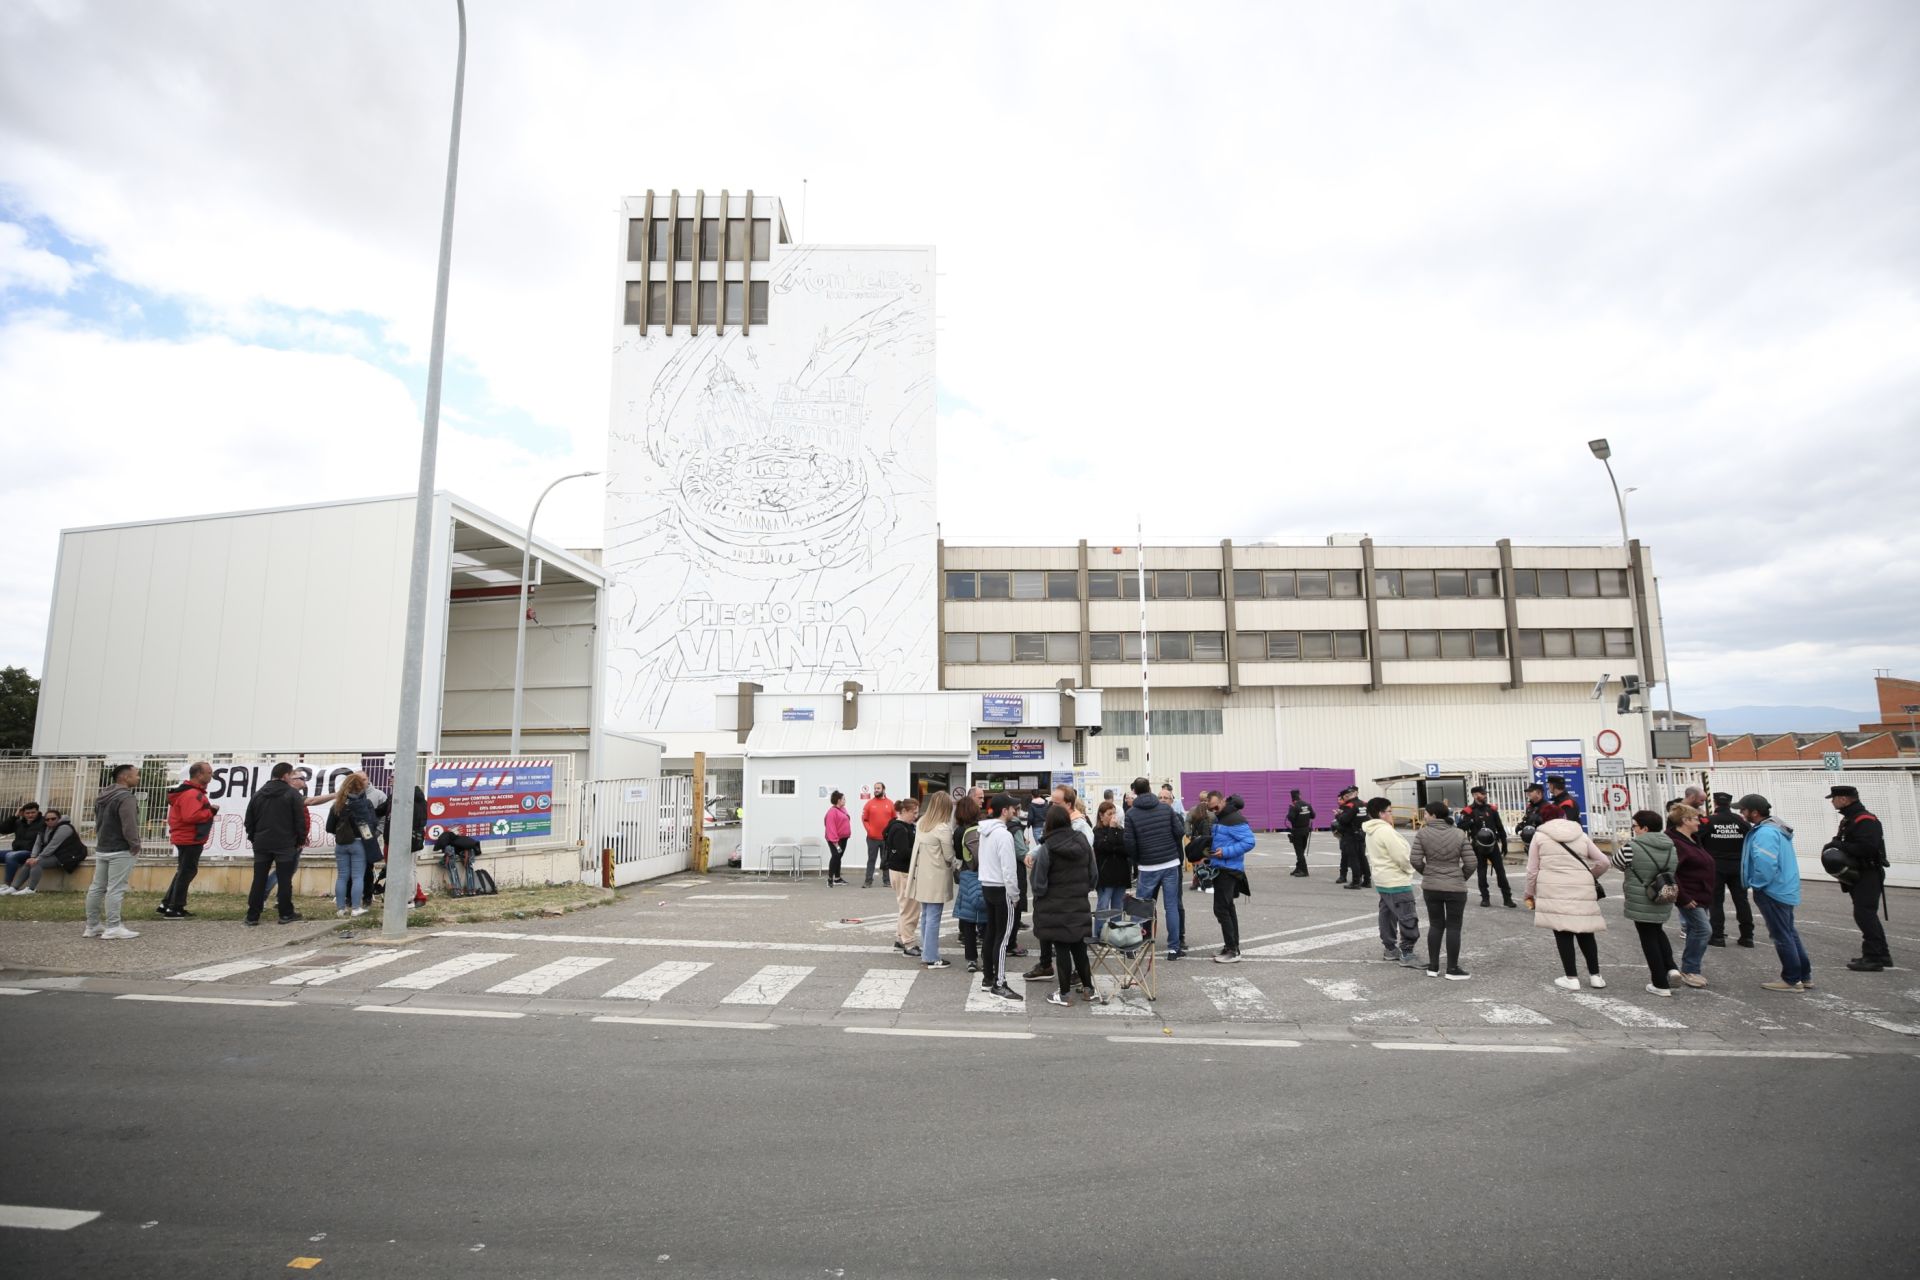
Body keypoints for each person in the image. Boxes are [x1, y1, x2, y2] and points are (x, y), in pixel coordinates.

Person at [1525, 803, 1610, 990]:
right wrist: (1590, 875)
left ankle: (1571, 977)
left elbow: (1532, 870)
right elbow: (1603, 862)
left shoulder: (1539, 836)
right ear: (1564, 816)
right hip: (1581, 886)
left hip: (1553, 889)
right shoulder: (1580, 834)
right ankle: (1596, 976)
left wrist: (1529, 892)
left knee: (1562, 931)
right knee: (1586, 930)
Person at [1738, 793, 1810, 992]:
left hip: (1773, 890)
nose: (1741, 813)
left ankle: (1791, 979)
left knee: (1781, 935)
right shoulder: (1777, 830)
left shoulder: (1765, 833)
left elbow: (1765, 862)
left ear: (1754, 812)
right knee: (1789, 932)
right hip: (1784, 888)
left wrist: (1757, 884)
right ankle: (1804, 975)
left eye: (1743, 809)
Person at [1032, 804, 1095, 1006]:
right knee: (1079, 947)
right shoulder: (1083, 841)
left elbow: (1038, 883)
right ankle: (1088, 989)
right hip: (1079, 903)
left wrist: (1043, 896)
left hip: (1055, 906)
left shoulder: (1047, 847)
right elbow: (1094, 876)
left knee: (1061, 949)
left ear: (1049, 823)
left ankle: (1065, 994)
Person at [1826, 785, 1891, 973]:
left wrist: (1838, 845)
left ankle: (1873, 958)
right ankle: (1882, 954)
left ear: (1844, 799)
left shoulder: (1865, 820)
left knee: (1864, 914)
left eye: (1834, 798)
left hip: (1868, 873)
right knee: (1866, 913)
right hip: (1859, 873)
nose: (1832, 802)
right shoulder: (1851, 819)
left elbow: (1867, 848)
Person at [1615, 809, 1680, 997]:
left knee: (1648, 938)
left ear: (1644, 827)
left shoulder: (1632, 847)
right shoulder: (1671, 846)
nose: (1633, 829)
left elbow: (1617, 863)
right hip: (1664, 894)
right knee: (1658, 931)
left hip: (1641, 897)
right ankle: (1671, 968)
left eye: (1634, 826)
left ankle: (1659, 983)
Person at [1122, 775, 1187, 959]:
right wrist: (1170, 848)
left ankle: (1134, 945)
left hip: (1148, 865)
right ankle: (1174, 949)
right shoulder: (1166, 810)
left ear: (1134, 791)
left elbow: (1129, 843)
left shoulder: (1132, 814)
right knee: (1171, 906)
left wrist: (1139, 859)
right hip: (1170, 863)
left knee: (1141, 906)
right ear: (1150, 788)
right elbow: (1179, 832)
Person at [1410, 802, 1472, 979]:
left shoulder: (1423, 833)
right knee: (1454, 927)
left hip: (1432, 886)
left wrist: (1428, 873)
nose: (1426, 817)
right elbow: (1471, 862)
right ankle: (1452, 969)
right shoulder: (1459, 834)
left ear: (1434, 815)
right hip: (1456, 887)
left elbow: (1415, 860)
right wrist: (1460, 877)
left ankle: (1433, 967)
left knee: (1436, 925)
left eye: (1427, 814)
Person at [243, 762, 308, 926]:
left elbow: (249, 820)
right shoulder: (292, 795)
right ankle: (285, 914)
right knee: (285, 879)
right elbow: (299, 821)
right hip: (285, 844)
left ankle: (252, 915)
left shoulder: (258, 794)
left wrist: (254, 837)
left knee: (259, 879)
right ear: (285, 775)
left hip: (261, 843)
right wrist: (300, 840)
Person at [86, 764, 143, 940]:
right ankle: (113, 927)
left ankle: (92, 925)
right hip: (120, 849)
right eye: (136, 775)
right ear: (125, 777)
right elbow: (129, 824)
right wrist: (135, 844)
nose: (138, 778)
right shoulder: (126, 797)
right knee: (116, 888)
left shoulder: (103, 796)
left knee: (97, 887)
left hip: (103, 847)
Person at [906, 790, 960, 970]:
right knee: (934, 917)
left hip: (922, 876)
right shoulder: (942, 827)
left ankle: (927, 953)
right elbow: (949, 855)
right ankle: (931, 957)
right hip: (936, 877)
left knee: (927, 916)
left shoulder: (922, 823)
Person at [158, 762, 219, 919]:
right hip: (190, 837)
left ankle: (167, 903)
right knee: (187, 872)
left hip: (187, 836)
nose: (211, 775)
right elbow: (190, 816)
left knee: (183, 871)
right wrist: (210, 811)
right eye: (209, 773)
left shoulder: (190, 792)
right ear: (199, 774)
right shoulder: (192, 794)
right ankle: (175, 907)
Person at [976, 794, 1022, 1000]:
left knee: (991, 933)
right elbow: (1009, 868)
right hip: (1002, 888)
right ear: (1004, 811)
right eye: (1013, 809)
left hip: (987, 885)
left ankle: (988, 977)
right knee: (1002, 938)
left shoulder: (985, 831)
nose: (1015, 812)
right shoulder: (1004, 835)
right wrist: (1015, 894)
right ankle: (1000, 982)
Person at [1363, 798, 1418, 966]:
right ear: (1381, 813)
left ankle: (1390, 949)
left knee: (1387, 914)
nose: (1391, 814)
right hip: (1396, 880)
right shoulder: (1385, 831)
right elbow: (1400, 856)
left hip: (1382, 879)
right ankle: (1407, 953)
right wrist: (1409, 869)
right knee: (1407, 915)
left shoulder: (1371, 830)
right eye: (1389, 811)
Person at [1667, 802, 1715, 988]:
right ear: (1685, 820)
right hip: (1690, 896)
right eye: (1695, 819)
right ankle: (1689, 970)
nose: (1699, 822)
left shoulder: (1693, 839)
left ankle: (1690, 968)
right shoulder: (1677, 843)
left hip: (1700, 894)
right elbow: (1673, 872)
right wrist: (1683, 897)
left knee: (1697, 930)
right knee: (1703, 929)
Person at [1701, 791, 1755, 948]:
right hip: (1738, 866)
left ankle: (1717, 936)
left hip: (1715, 866)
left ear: (1715, 803)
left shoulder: (1707, 820)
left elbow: (1698, 839)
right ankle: (1747, 937)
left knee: (1716, 902)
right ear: (1729, 804)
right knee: (1742, 901)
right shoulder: (1740, 821)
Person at [1207, 794, 1255, 963]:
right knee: (1227, 908)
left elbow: (1249, 842)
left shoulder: (1235, 819)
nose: (1213, 810)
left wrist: (1225, 852)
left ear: (1222, 801)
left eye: (1215, 807)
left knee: (1222, 909)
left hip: (1229, 869)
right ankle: (1231, 946)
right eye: (1210, 808)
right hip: (1222, 867)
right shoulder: (1222, 817)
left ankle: (1233, 950)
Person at [1460, 786, 1515, 909]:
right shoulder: (1468, 811)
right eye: (1482, 793)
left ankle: (1507, 898)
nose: (1485, 795)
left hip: (1493, 845)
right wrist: (1470, 822)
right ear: (1474, 795)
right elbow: (1460, 827)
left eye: (1485, 793)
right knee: (1482, 872)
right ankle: (1485, 898)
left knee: (1501, 872)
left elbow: (1499, 826)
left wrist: (1504, 843)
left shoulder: (1491, 809)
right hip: (1478, 846)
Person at [4, 808, 77, 895]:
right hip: (54, 855)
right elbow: (37, 844)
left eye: (53, 819)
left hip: (67, 856)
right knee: (29, 862)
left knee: (37, 863)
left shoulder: (64, 828)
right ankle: (13, 887)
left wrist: (38, 858)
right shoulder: (44, 828)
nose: (50, 821)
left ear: (59, 818)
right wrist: (33, 857)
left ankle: (31, 889)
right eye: (47, 819)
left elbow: (52, 846)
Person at [951, 795, 987, 973]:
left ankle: (971, 959)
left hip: (967, 874)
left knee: (968, 918)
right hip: (987, 874)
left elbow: (958, 855)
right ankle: (988, 957)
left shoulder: (959, 832)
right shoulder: (984, 827)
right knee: (987, 918)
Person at [884, 796, 922, 956]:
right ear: (904, 811)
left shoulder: (895, 826)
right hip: (904, 872)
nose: (916, 816)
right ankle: (909, 943)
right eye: (914, 812)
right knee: (910, 909)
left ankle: (900, 939)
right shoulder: (901, 829)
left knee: (904, 907)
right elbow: (904, 852)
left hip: (896, 871)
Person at [1092, 799, 1131, 939]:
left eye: (1114, 813)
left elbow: (1126, 849)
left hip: (1120, 874)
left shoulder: (1121, 830)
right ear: (1101, 816)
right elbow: (1105, 847)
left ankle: (1115, 936)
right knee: (1103, 906)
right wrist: (1112, 831)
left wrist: (1115, 844)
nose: (1113, 817)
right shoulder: (1097, 831)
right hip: (1105, 875)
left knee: (1117, 908)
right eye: (1109, 814)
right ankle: (1099, 935)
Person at [1, 801, 47, 891]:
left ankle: (7, 885)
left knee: (11, 856)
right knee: (10, 855)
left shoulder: (43, 822)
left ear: (38, 812)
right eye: (27, 813)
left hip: (31, 853)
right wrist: (15, 816)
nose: (30, 815)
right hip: (16, 851)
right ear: (23, 813)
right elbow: (3, 830)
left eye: (33, 812)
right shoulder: (19, 822)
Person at [1334, 787, 1369, 890]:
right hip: (1362, 833)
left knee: (1353, 859)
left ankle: (1355, 881)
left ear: (1348, 795)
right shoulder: (1364, 804)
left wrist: (1338, 815)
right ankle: (1367, 880)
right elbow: (1368, 817)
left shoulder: (1349, 805)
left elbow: (1344, 820)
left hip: (1351, 834)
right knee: (1362, 857)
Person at [860, 783, 895, 888]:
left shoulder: (890, 803)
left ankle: (887, 881)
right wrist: (869, 830)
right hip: (872, 838)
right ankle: (868, 881)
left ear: (883, 789)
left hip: (886, 838)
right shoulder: (869, 804)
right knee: (871, 860)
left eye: (878, 788)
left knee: (885, 860)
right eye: (875, 788)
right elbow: (864, 819)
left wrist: (891, 833)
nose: (876, 790)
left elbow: (894, 820)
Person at [1186, 790, 1215, 892]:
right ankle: (1202, 881)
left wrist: (1189, 834)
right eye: (1202, 800)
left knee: (1200, 861)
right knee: (1204, 860)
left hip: (1201, 839)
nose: (1204, 802)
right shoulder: (1209, 811)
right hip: (1206, 839)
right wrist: (1188, 833)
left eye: (1205, 799)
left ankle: (1199, 881)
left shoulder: (1196, 810)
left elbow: (1187, 822)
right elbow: (1187, 821)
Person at [823, 790, 852, 886]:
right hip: (835, 840)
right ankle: (830, 879)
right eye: (844, 799)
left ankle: (837, 878)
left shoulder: (843, 809)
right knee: (835, 856)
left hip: (843, 838)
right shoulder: (832, 812)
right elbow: (831, 828)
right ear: (839, 800)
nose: (845, 800)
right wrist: (835, 843)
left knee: (839, 857)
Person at [1284, 789, 1314, 877]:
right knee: (1301, 851)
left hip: (1297, 831)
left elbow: (1291, 818)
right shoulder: (1307, 805)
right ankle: (1298, 868)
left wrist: (1290, 811)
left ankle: (1304, 871)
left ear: (1292, 798)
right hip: (1306, 831)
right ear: (1300, 795)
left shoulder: (1294, 806)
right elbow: (1313, 815)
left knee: (1299, 852)